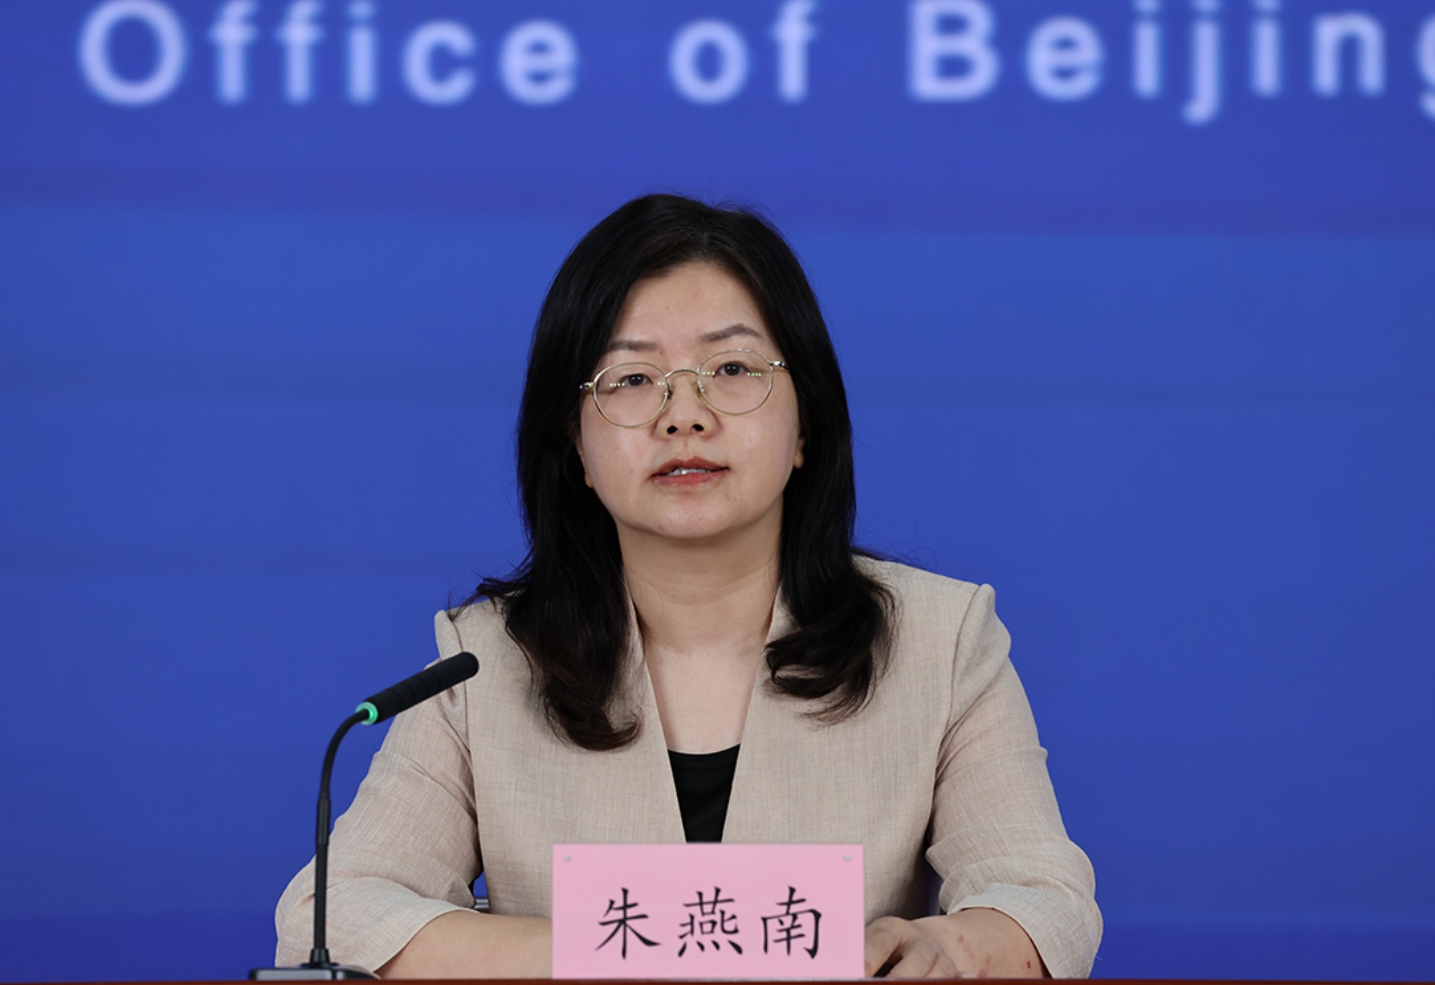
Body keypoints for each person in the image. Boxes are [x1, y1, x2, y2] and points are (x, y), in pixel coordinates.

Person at [275, 194, 1100, 978]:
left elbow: (1045, 899)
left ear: (805, 425)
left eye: (731, 367)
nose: (684, 414)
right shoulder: (484, 666)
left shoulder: (939, 641)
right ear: (575, 448)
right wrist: (628, 953)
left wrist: (947, 945)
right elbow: (330, 912)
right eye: (631, 379)